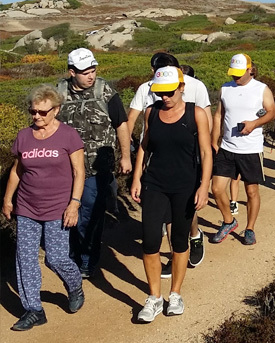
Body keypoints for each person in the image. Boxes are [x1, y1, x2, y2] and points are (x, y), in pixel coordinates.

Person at [130, 67, 212, 322]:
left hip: (185, 186)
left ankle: (175, 294)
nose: (164, 97)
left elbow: (207, 153)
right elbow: (144, 146)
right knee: (151, 240)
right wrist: (136, 178)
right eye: (160, 92)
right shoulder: (151, 112)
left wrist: (204, 185)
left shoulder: (195, 114)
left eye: (169, 92)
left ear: (181, 88)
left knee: (178, 241)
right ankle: (154, 298)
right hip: (154, 184)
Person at [3, 85, 86, 331]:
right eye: (33, 111)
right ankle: (33, 310)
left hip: (59, 207)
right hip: (28, 206)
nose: (37, 116)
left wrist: (74, 204)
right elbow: (17, 170)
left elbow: (79, 172)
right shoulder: (24, 136)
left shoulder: (69, 136)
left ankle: (74, 286)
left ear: (56, 110)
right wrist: (8, 199)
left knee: (56, 259)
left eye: (42, 112)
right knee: (25, 259)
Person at [56, 48, 131, 279]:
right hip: (65, 169)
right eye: (85, 72)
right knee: (64, 213)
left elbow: (121, 124)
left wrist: (125, 156)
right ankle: (70, 255)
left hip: (97, 169)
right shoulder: (58, 93)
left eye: (93, 70)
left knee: (88, 213)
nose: (91, 75)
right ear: (71, 72)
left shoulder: (105, 91)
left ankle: (86, 259)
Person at [211, 54, 275, 245]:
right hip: (227, 148)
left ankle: (250, 229)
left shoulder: (261, 89)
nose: (235, 78)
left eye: (239, 74)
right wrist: (214, 140)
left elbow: (271, 112)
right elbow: (218, 116)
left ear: (250, 70)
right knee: (216, 188)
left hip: (251, 149)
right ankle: (229, 221)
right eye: (233, 74)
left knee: (251, 192)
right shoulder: (225, 88)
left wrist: (254, 123)